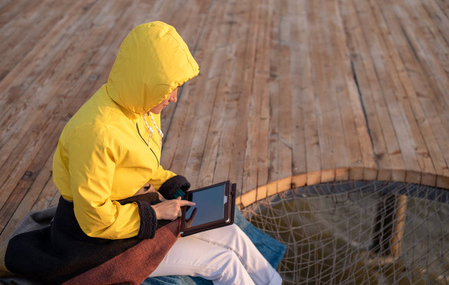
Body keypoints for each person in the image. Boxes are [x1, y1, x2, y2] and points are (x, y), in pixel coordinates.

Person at [2, 21, 282, 284]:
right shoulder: (96, 133)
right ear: (147, 81)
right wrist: (156, 213)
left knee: (231, 232)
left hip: (134, 209)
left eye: (176, 88)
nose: (173, 98)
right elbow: (94, 220)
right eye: (169, 89)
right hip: (98, 243)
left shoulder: (141, 104)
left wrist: (171, 186)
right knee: (223, 261)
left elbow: (140, 162)